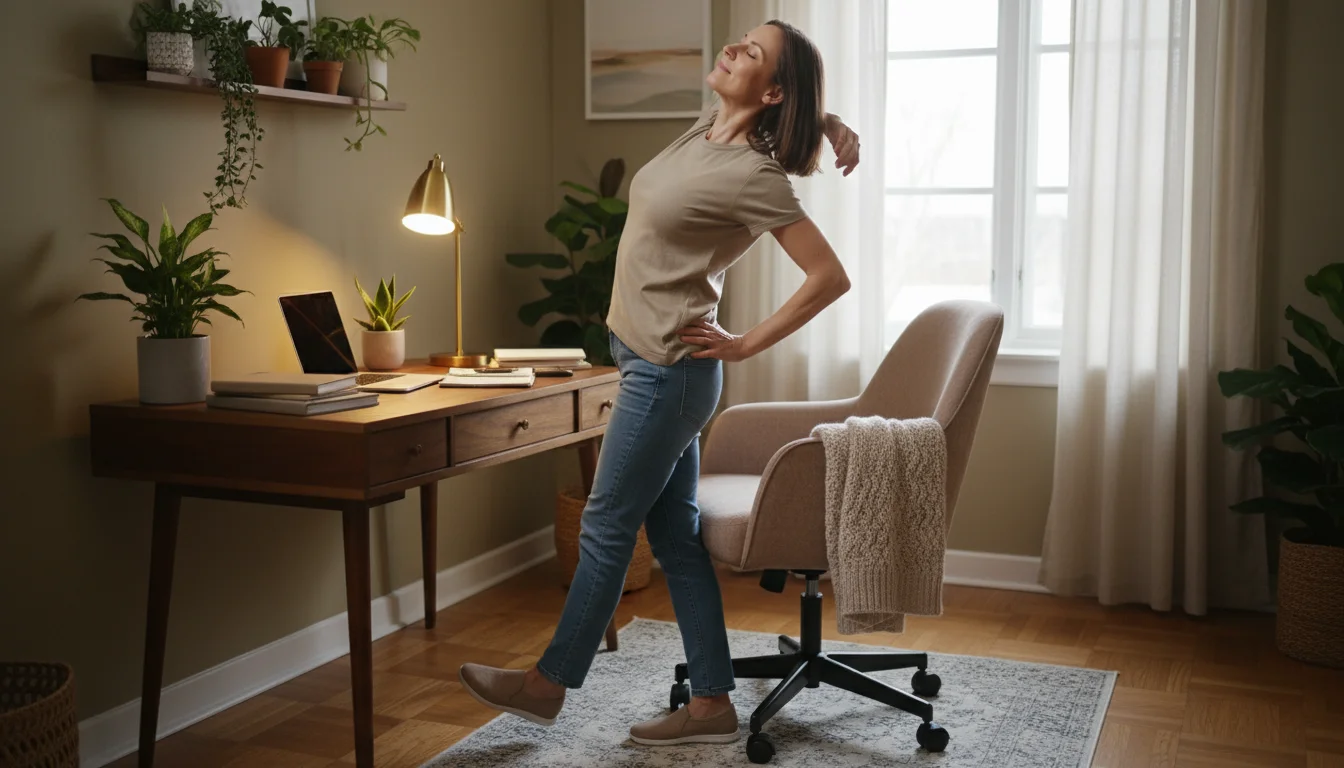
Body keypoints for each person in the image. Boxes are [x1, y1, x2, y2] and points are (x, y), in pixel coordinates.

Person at [458, 19, 860, 747]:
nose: (734, 46)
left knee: (607, 526)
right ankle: (711, 706)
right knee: (677, 540)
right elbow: (782, 112)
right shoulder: (708, 129)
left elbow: (829, 277)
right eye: (742, 37)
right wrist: (825, 121)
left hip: (670, 374)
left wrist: (744, 345)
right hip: (646, 363)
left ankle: (548, 685)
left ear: (771, 89)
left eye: (753, 53)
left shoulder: (754, 175)